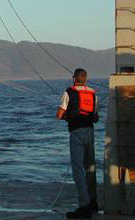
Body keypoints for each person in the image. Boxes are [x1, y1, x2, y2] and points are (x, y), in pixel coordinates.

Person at [56, 68, 99, 218]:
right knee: (91, 168)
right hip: (90, 132)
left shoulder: (69, 92)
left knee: (78, 170)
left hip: (76, 133)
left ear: (74, 78)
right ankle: (93, 202)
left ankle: (84, 205)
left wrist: (69, 117)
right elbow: (95, 117)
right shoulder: (93, 93)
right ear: (86, 79)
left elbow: (59, 115)